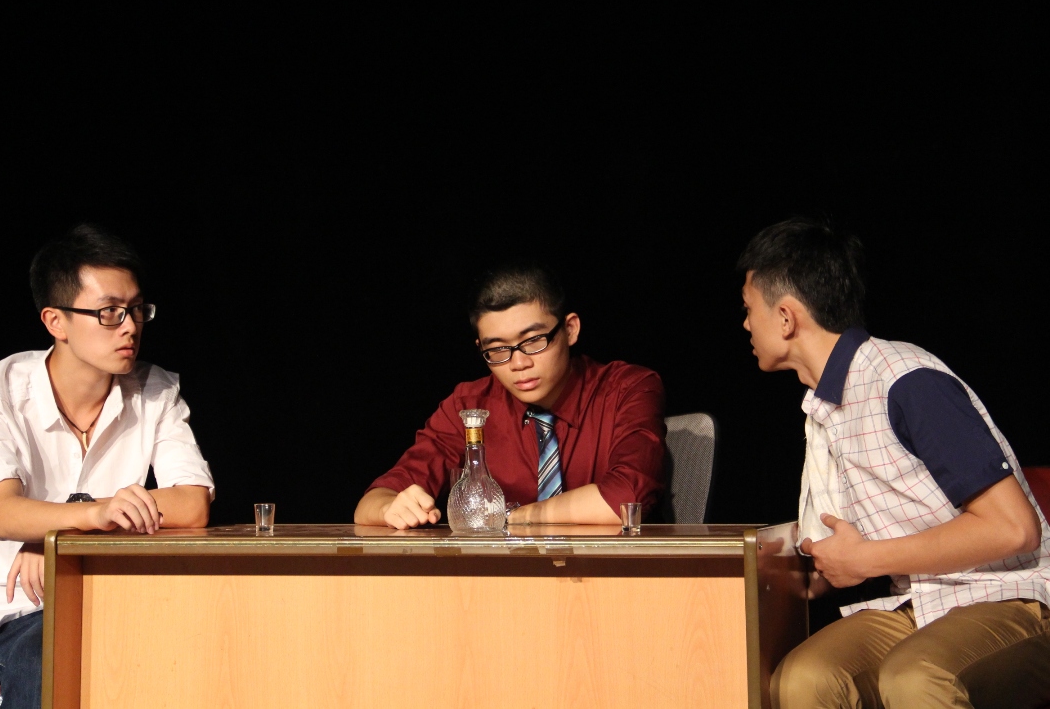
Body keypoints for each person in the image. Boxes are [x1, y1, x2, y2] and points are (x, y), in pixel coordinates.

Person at [0, 224, 215, 709]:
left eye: (136, 309)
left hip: (59, 610)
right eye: (109, 312)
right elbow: (3, 513)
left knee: (52, 664)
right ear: (56, 321)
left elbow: (191, 503)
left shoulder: (156, 391)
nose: (129, 326)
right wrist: (91, 514)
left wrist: (58, 536)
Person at [738, 218, 1050, 708]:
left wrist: (864, 560)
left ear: (785, 317)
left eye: (748, 308)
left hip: (1007, 594)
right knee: (801, 679)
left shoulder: (906, 381)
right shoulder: (824, 407)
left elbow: (1014, 529)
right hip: (917, 601)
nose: (744, 325)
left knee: (913, 678)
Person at [354, 263, 665, 529]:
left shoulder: (628, 389)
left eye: (533, 341)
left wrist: (515, 517)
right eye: (498, 349)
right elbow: (372, 503)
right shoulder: (469, 405)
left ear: (570, 329)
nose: (518, 363)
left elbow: (626, 501)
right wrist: (391, 508)